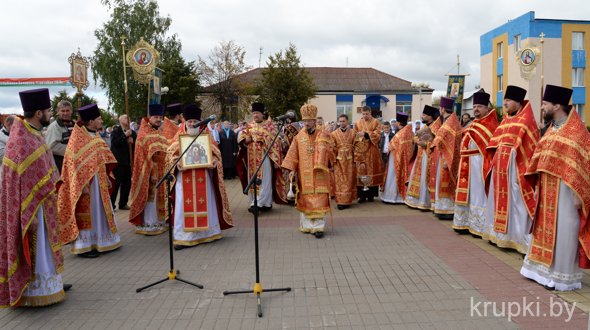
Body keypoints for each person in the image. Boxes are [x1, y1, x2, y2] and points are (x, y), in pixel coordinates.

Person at [520, 85, 590, 291]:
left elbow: (582, 164)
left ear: (557, 105)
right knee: (547, 229)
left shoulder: (577, 132)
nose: (541, 108)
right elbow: (540, 156)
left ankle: (561, 276)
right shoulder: (551, 129)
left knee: (564, 229)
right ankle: (542, 272)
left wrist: (581, 193)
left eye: (544, 104)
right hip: (547, 188)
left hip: (567, 192)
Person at [0, 88, 66, 307]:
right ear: (39, 113)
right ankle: (36, 291)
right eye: (48, 110)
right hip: (31, 207)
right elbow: (21, 181)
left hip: (43, 202)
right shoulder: (21, 139)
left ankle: (51, 284)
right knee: (36, 246)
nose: (50, 114)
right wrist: (28, 214)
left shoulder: (33, 133)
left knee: (46, 244)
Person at [166, 104, 234, 249]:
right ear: (184, 120)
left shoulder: (206, 135)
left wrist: (215, 162)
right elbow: (171, 155)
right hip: (184, 178)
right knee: (182, 205)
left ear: (200, 121)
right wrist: (176, 164)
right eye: (189, 121)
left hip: (203, 176)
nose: (192, 124)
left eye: (194, 121)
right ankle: (183, 238)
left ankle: (208, 234)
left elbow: (216, 154)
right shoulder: (179, 135)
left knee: (206, 202)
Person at [58, 104, 121, 258]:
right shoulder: (77, 139)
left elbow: (102, 159)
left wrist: (106, 175)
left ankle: (103, 241)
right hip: (86, 186)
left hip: (100, 184)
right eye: (99, 119)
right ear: (91, 121)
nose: (101, 121)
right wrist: (81, 184)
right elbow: (73, 165)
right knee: (88, 214)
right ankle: (85, 246)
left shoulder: (96, 136)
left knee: (100, 212)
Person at [483, 85, 539, 254]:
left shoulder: (526, 120)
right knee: (499, 200)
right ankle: (500, 236)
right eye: (504, 100)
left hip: (515, 169)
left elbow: (531, 148)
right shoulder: (506, 119)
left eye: (508, 100)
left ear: (518, 102)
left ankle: (519, 239)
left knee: (517, 203)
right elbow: (495, 142)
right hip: (500, 170)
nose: (505, 103)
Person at [282, 104, 334, 238]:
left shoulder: (323, 135)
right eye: (304, 121)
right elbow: (293, 153)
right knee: (306, 199)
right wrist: (292, 169)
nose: (306, 123)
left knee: (320, 199)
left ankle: (318, 227)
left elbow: (332, 151)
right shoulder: (299, 137)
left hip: (319, 173)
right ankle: (307, 226)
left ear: (314, 121)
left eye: (309, 121)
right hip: (304, 174)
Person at [452, 92, 498, 235]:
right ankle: (465, 222)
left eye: (480, 106)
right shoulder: (474, 123)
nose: (476, 109)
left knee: (478, 194)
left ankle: (479, 226)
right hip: (467, 163)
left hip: (479, 164)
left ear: (486, 108)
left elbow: (489, 148)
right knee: (469, 194)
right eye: (474, 106)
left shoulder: (491, 124)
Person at [236, 102, 287, 212]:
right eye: (254, 113)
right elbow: (241, 137)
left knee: (265, 180)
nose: (255, 115)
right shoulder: (249, 126)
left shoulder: (270, 126)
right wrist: (245, 140)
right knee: (253, 180)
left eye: (257, 113)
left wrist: (264, 140)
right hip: (251, 159)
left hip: (265, 158)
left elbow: (276, 142)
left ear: (263, 114)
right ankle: (255, 201)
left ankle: (264, 202)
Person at [129, 104, 169, 235]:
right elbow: (144, 157)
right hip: (150, 171)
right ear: (150, 118)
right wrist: (151, 173)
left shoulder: (158, 132)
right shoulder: (144, 134)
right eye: (156, 117)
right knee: (151, 198)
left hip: (162, 170)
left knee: (159, 198)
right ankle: (149, 222)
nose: (158, 119)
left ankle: (159, 221)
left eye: (160, 117)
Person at [430, 96, 462, 220]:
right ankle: (442, 208)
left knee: (446, 182)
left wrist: (447, 160)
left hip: (447, 159)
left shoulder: (450, 123)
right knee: (442, 181)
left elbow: (449, 142)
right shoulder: (450, 121)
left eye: (440, 108)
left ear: (443, 109)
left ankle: (447, 209)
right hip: (443, 157)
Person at [405, 105, 439, 210]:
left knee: (425, 178)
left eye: (424, 115)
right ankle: (416, 201)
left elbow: (436, 143)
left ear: (430, 116)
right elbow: (415, 137)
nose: (422, 117)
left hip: (428, 157)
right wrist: (417, 141)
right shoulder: (425, 127)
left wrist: (425, 144)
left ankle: (425, 202)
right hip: (420, 156)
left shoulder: (435, 127)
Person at [353, 106, 384, 203]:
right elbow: (354, 135)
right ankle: (362, 196)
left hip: (372, 151)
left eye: (367, 114)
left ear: (370, 112)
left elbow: (378, 134)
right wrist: (358, 136)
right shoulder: (358, 123)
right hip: (361, 152)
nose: (365, 116)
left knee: (371, 171)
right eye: (363, 114)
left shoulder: (376, 122)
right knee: (361, 172)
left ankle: (371, 195)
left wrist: (366, 134)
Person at [381, 112, 413, 204]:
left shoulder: (402, 133)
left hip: (396, 159)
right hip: (400, 158)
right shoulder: (407, 131)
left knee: (393, 177)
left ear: (399, 123)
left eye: (397, 123)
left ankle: (393, 197)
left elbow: (393, 145)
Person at [110, 115, 136, 211]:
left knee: (127, 183)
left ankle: (123, 203)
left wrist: (132, 142)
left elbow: (136, 147)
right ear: (120, 120)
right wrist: (125, 136)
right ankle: (111, 204)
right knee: (116, 184)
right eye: (125, 118)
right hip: (118, 161)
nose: (128, 119)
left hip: (128, 161)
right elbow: (114, 143)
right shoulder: (116, 131)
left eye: (129, 118)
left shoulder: (132, 133)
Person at [330, 114, 357, 209]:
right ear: (338, 122)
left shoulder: (353, 132)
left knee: (349, 180)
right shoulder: (333, 134)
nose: (342, 123)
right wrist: (333, 161)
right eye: (340, 121)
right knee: (339, 181)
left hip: (350, 160)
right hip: (339, 161)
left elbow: (357, 146)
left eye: (343, 121)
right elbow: (332, 148)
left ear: (347, 121)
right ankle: (340, 201)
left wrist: (356, 158)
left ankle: (348, 201)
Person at [45, 100, 74, 173]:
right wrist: (73, 150)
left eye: (67, 110)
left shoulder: (75, 125)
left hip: (73, 165)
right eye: (62, 111)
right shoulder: (54, 127)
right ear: (58, 112)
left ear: (71, 111)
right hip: (60, 165)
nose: (65, 113)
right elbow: (51, 147)